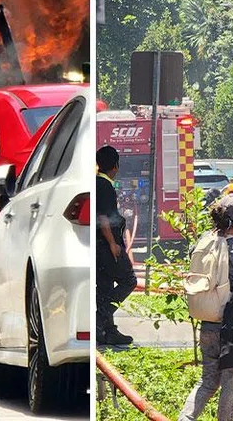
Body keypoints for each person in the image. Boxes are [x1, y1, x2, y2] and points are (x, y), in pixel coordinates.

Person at [179, 194, 233, 421]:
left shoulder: (204, 242)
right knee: (231, 384)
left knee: (207, 381)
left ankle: (185, 418)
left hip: (208, 322)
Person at [96, 145, 137, 345]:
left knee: (104, 286)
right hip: (106, 245)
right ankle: (100, 317)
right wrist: (112, 243)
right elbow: (102, 216)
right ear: (116, 166)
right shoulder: (104, 186)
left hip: (98, 246)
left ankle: (108, 332)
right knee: (128, 280)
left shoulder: (97, 183)